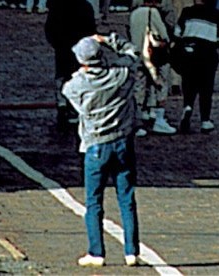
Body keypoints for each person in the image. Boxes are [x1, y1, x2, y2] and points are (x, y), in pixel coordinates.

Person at [62, 34, 142, 268]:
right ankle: (131, 251)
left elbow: (68, 89)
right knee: (126, 197)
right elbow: (133, 53)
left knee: (94, 201)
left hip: (96, 144)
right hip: (123, 142)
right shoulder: (121, 75)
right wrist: (109, 40)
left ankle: (96, 252)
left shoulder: (75, 86)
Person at [175, 0, 219, 133]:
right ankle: (205, 120)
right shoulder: (216, 15)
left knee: (189, 84)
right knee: (206, 88)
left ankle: (187, 107)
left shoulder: (187, 12)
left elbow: (177, 32)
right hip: (208, 55)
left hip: (189, 53)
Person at [45, 0, 97, 126]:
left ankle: (62, 104)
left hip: (61, 47)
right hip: (79, 49)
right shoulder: (86, 7)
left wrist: (56, 43)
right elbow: (91, 31)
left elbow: (49, 28)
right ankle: (73, 107)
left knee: (61, 75)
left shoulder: (57, 5)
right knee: (77, 77)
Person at [128, 0, 176, 135]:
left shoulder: (134, 13)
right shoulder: (153, 13)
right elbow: (163, 35)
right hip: (155, 56)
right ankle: (159, 120)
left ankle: (138, 122)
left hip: (138, 55)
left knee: (139, 88)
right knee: (160, 84)